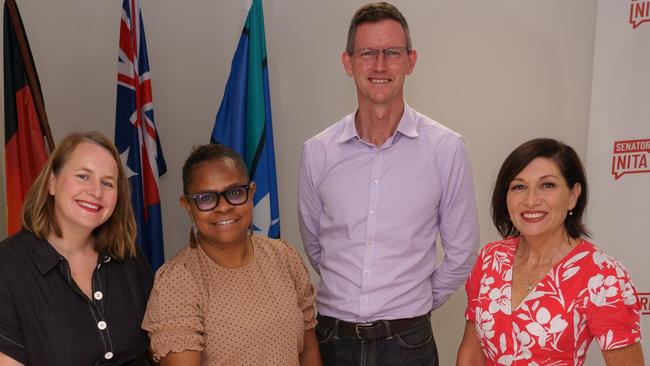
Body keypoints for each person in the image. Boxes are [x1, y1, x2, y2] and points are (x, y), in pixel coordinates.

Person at [298, 2, 479, 365]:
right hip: (333, 340)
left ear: (410, 61)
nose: (380, 65)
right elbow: (316, 245)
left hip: (408, 344)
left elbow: (462, 253)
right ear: (348, 62)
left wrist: (413, 300)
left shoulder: (446, 148)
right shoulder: (317, 152)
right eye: (367, 53)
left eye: (392, 53)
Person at [457, 138, 645, 365]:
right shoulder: (491, 258)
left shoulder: (602, 275)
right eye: (519, 187)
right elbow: (471, 354)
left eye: (547, 185)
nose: (531, 200)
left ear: (573, 196)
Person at [142, 143, 321, 366]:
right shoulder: (177, 282)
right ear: (188, 206)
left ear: (251, 193)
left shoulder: (284, 257)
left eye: (235, 193)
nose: (224, 207)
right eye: (206, 198)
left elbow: (309, 348)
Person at [0, 132, 154, 366]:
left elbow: (161, 346)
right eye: (83, 176)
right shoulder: (8, 267)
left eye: (107, 183)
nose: (96, 191)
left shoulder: (129, 257)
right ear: (52, 182)